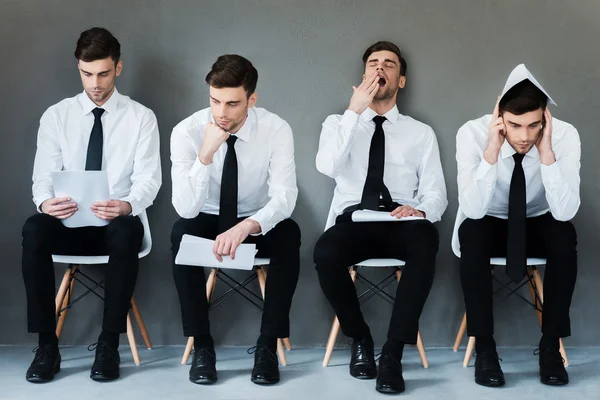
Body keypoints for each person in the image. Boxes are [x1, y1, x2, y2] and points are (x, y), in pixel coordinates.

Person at [22, 27, 162, 383]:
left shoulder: (141, 117)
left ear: (118, 68)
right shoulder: (57, 116)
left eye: (102, 73)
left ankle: (108, 344)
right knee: (34, 228)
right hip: (68, 225)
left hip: (115, 228)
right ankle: (46, 346)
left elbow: (149, 180)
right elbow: (41, 179)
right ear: (78, 69)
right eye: (87, 73)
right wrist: (45, 203)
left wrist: (127, 205)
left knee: (128, 229)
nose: (95, 83)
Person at [313, 41, 447, 394]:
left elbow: (437, 193)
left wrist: (420, 210)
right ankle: (360, 338)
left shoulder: (420, 133)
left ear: (400, 80)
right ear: (363, 76)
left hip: (402, 223)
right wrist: (354, 112)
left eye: (389, 64)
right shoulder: (337, 123)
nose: (379, 69)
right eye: (373, 63)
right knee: (325, 252)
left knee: (427, 238)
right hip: (354, 223)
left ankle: (393, 353)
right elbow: (327, 167)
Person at [170, 54, 300, 385]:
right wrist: (206, 154)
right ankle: (202, 346)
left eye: (231, 103)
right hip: (207, 216)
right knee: (180, 232)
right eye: (215, 100)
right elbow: (186, 208)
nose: (221, 112)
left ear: (251, 100)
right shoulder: (187, 131)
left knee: (289, 232)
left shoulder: (276, 129)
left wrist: (248, 226)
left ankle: (267, 347)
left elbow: (284, 197)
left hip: (253, 221)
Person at [454, 64, 580, 387]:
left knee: (565, 235)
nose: (524, 136)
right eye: (515, 125)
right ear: (499, 116)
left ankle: (550, 347)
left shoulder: (564, 136)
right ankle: (485, 349)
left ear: (545, 118)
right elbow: (472, 208)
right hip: (489, 221)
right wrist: (492, 151)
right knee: (471, 232)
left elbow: (565, 211)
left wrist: (547, 152)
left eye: (533, 125)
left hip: (538, 222)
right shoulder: (470, 133)